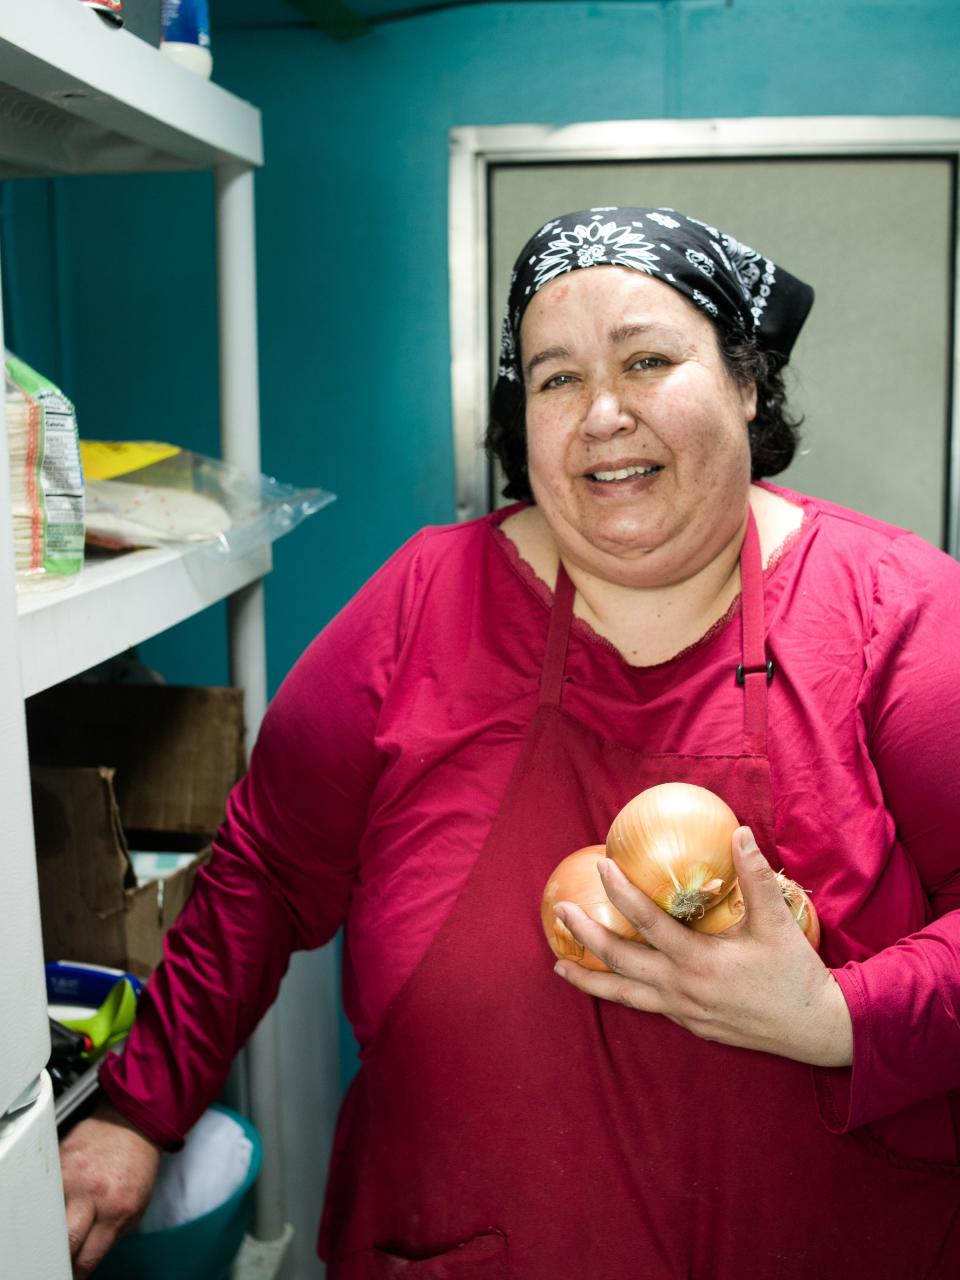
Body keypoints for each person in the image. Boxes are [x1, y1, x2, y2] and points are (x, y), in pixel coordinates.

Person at [60, 206, 960, 1278]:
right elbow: (262, 872)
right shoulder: (420, 605)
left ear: (747, 382)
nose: (604, 414)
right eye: (555, 377)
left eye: (647, 358)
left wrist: (836, 1015)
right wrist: (138, 1108)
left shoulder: (896, 613)